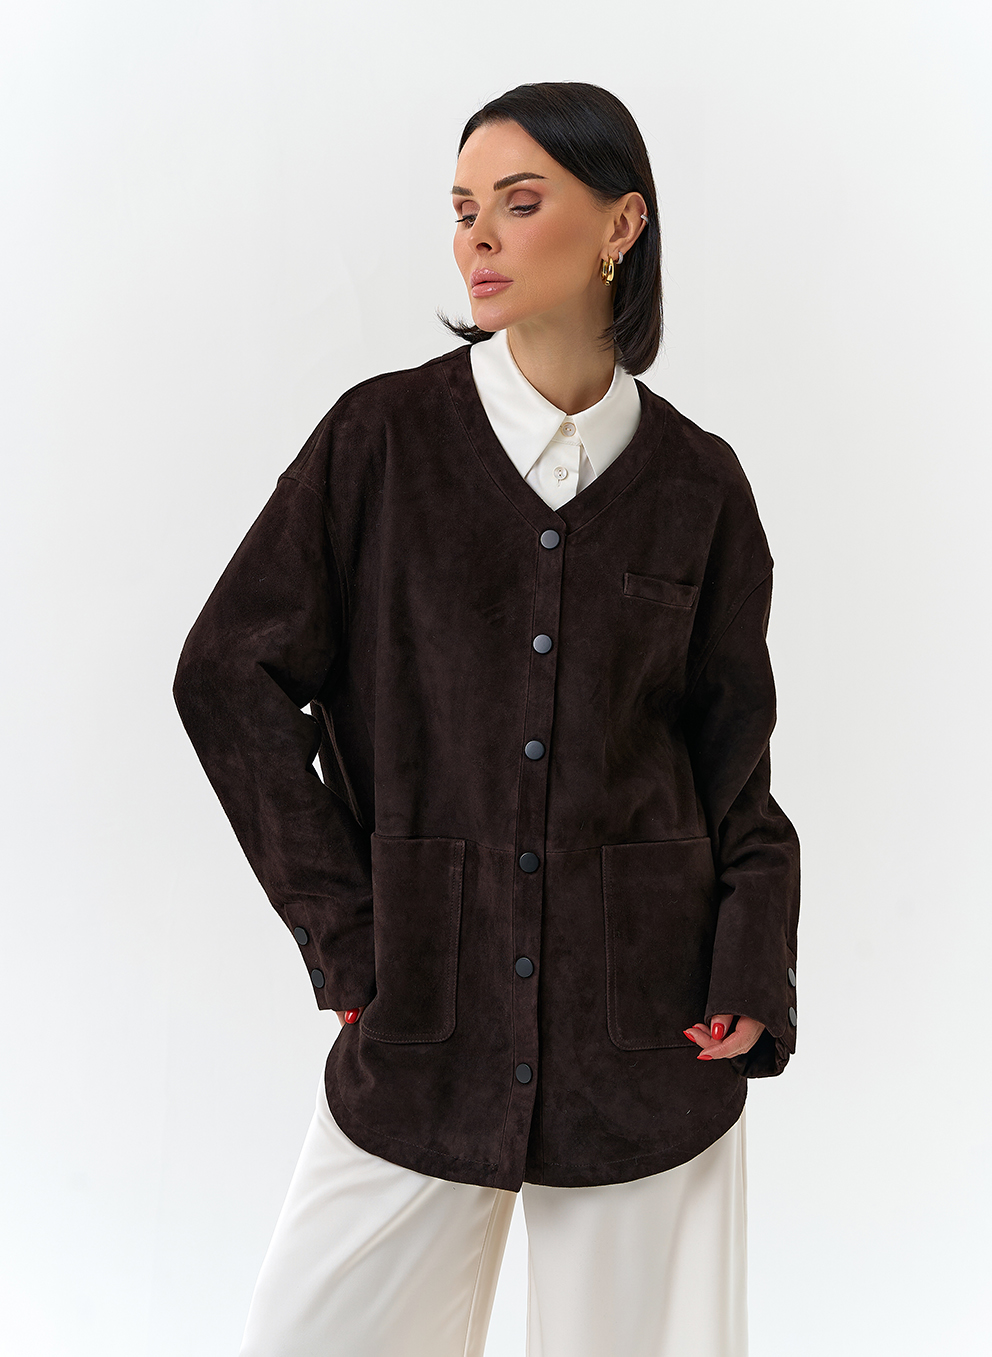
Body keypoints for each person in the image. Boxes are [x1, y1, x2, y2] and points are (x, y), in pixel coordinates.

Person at [173, 81, 800, 1357]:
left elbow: (732, 767)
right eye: (463, 209)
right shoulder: (381, 442)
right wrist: (347, 935)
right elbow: (226, 674)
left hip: (649, 1025)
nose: (478, 237)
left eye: (519, 203)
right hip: (424, 1008)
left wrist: (751, 963)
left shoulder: (698, 484)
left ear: (619, 225)